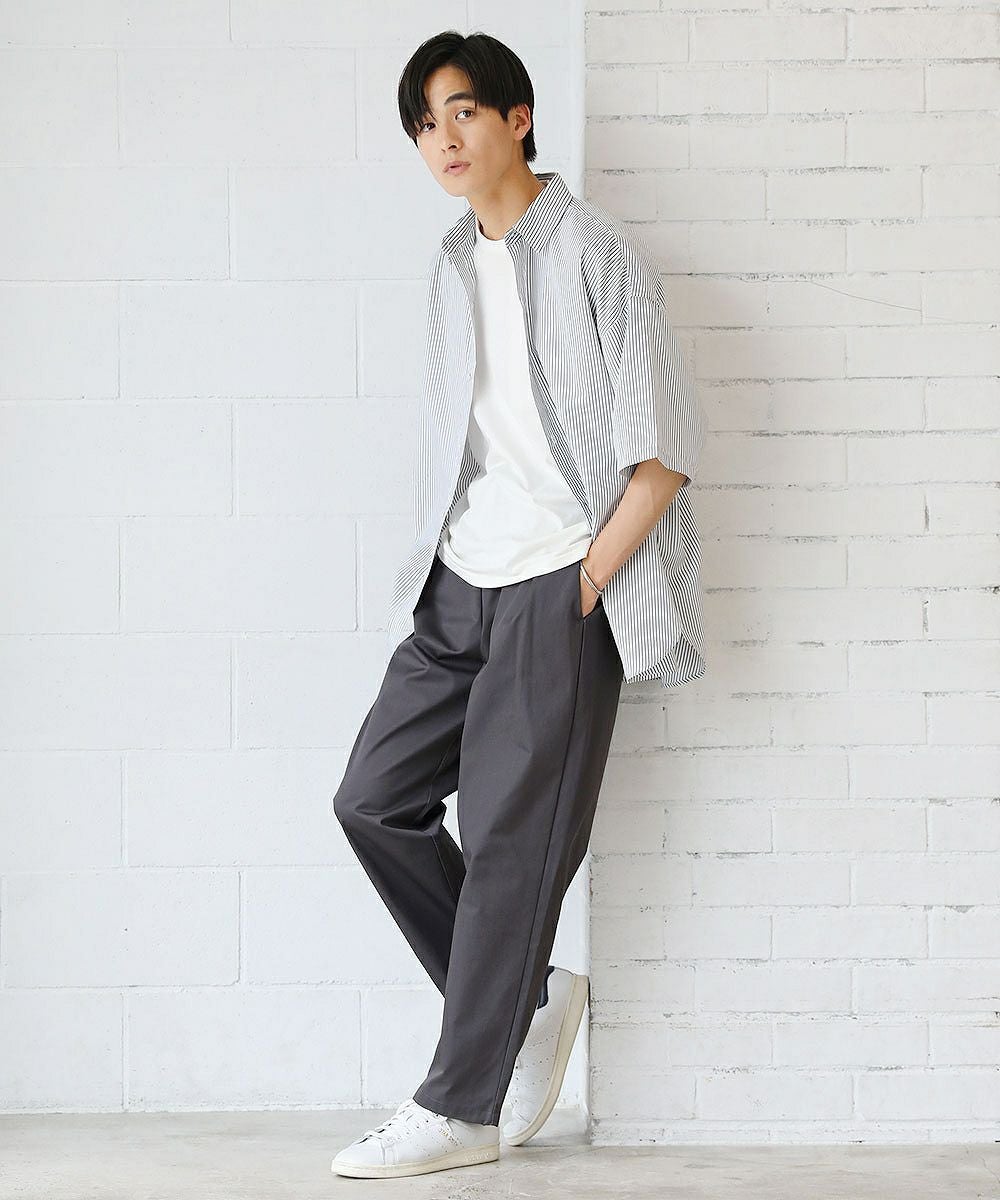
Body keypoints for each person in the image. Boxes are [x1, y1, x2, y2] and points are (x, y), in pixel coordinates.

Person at [330, 28, 708, 1181]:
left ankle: (462, 1108)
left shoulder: (594, 252)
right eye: (424, 123)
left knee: (506, 843)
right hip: (460, 583)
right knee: (373, 800)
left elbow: (662, 453)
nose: (443, 139)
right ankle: (526, 1000)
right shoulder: (453, 261)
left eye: (462, 112)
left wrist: (588, 583)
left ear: (517, 118)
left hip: (558, 585)